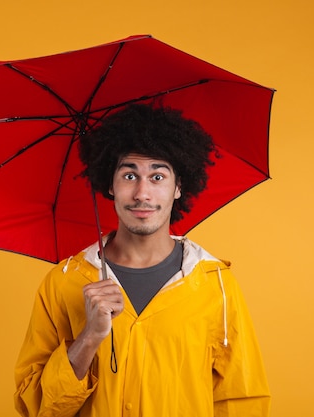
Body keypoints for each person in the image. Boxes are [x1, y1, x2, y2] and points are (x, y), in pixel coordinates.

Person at [14, 104, 270, 417]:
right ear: (110, 185)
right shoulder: (63, 282)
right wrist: (89, 337)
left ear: (178, 187)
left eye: (158, 176)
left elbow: (242, 401)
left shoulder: (215, 285)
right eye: (130, 175)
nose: (142, 193)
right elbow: (35, 406)